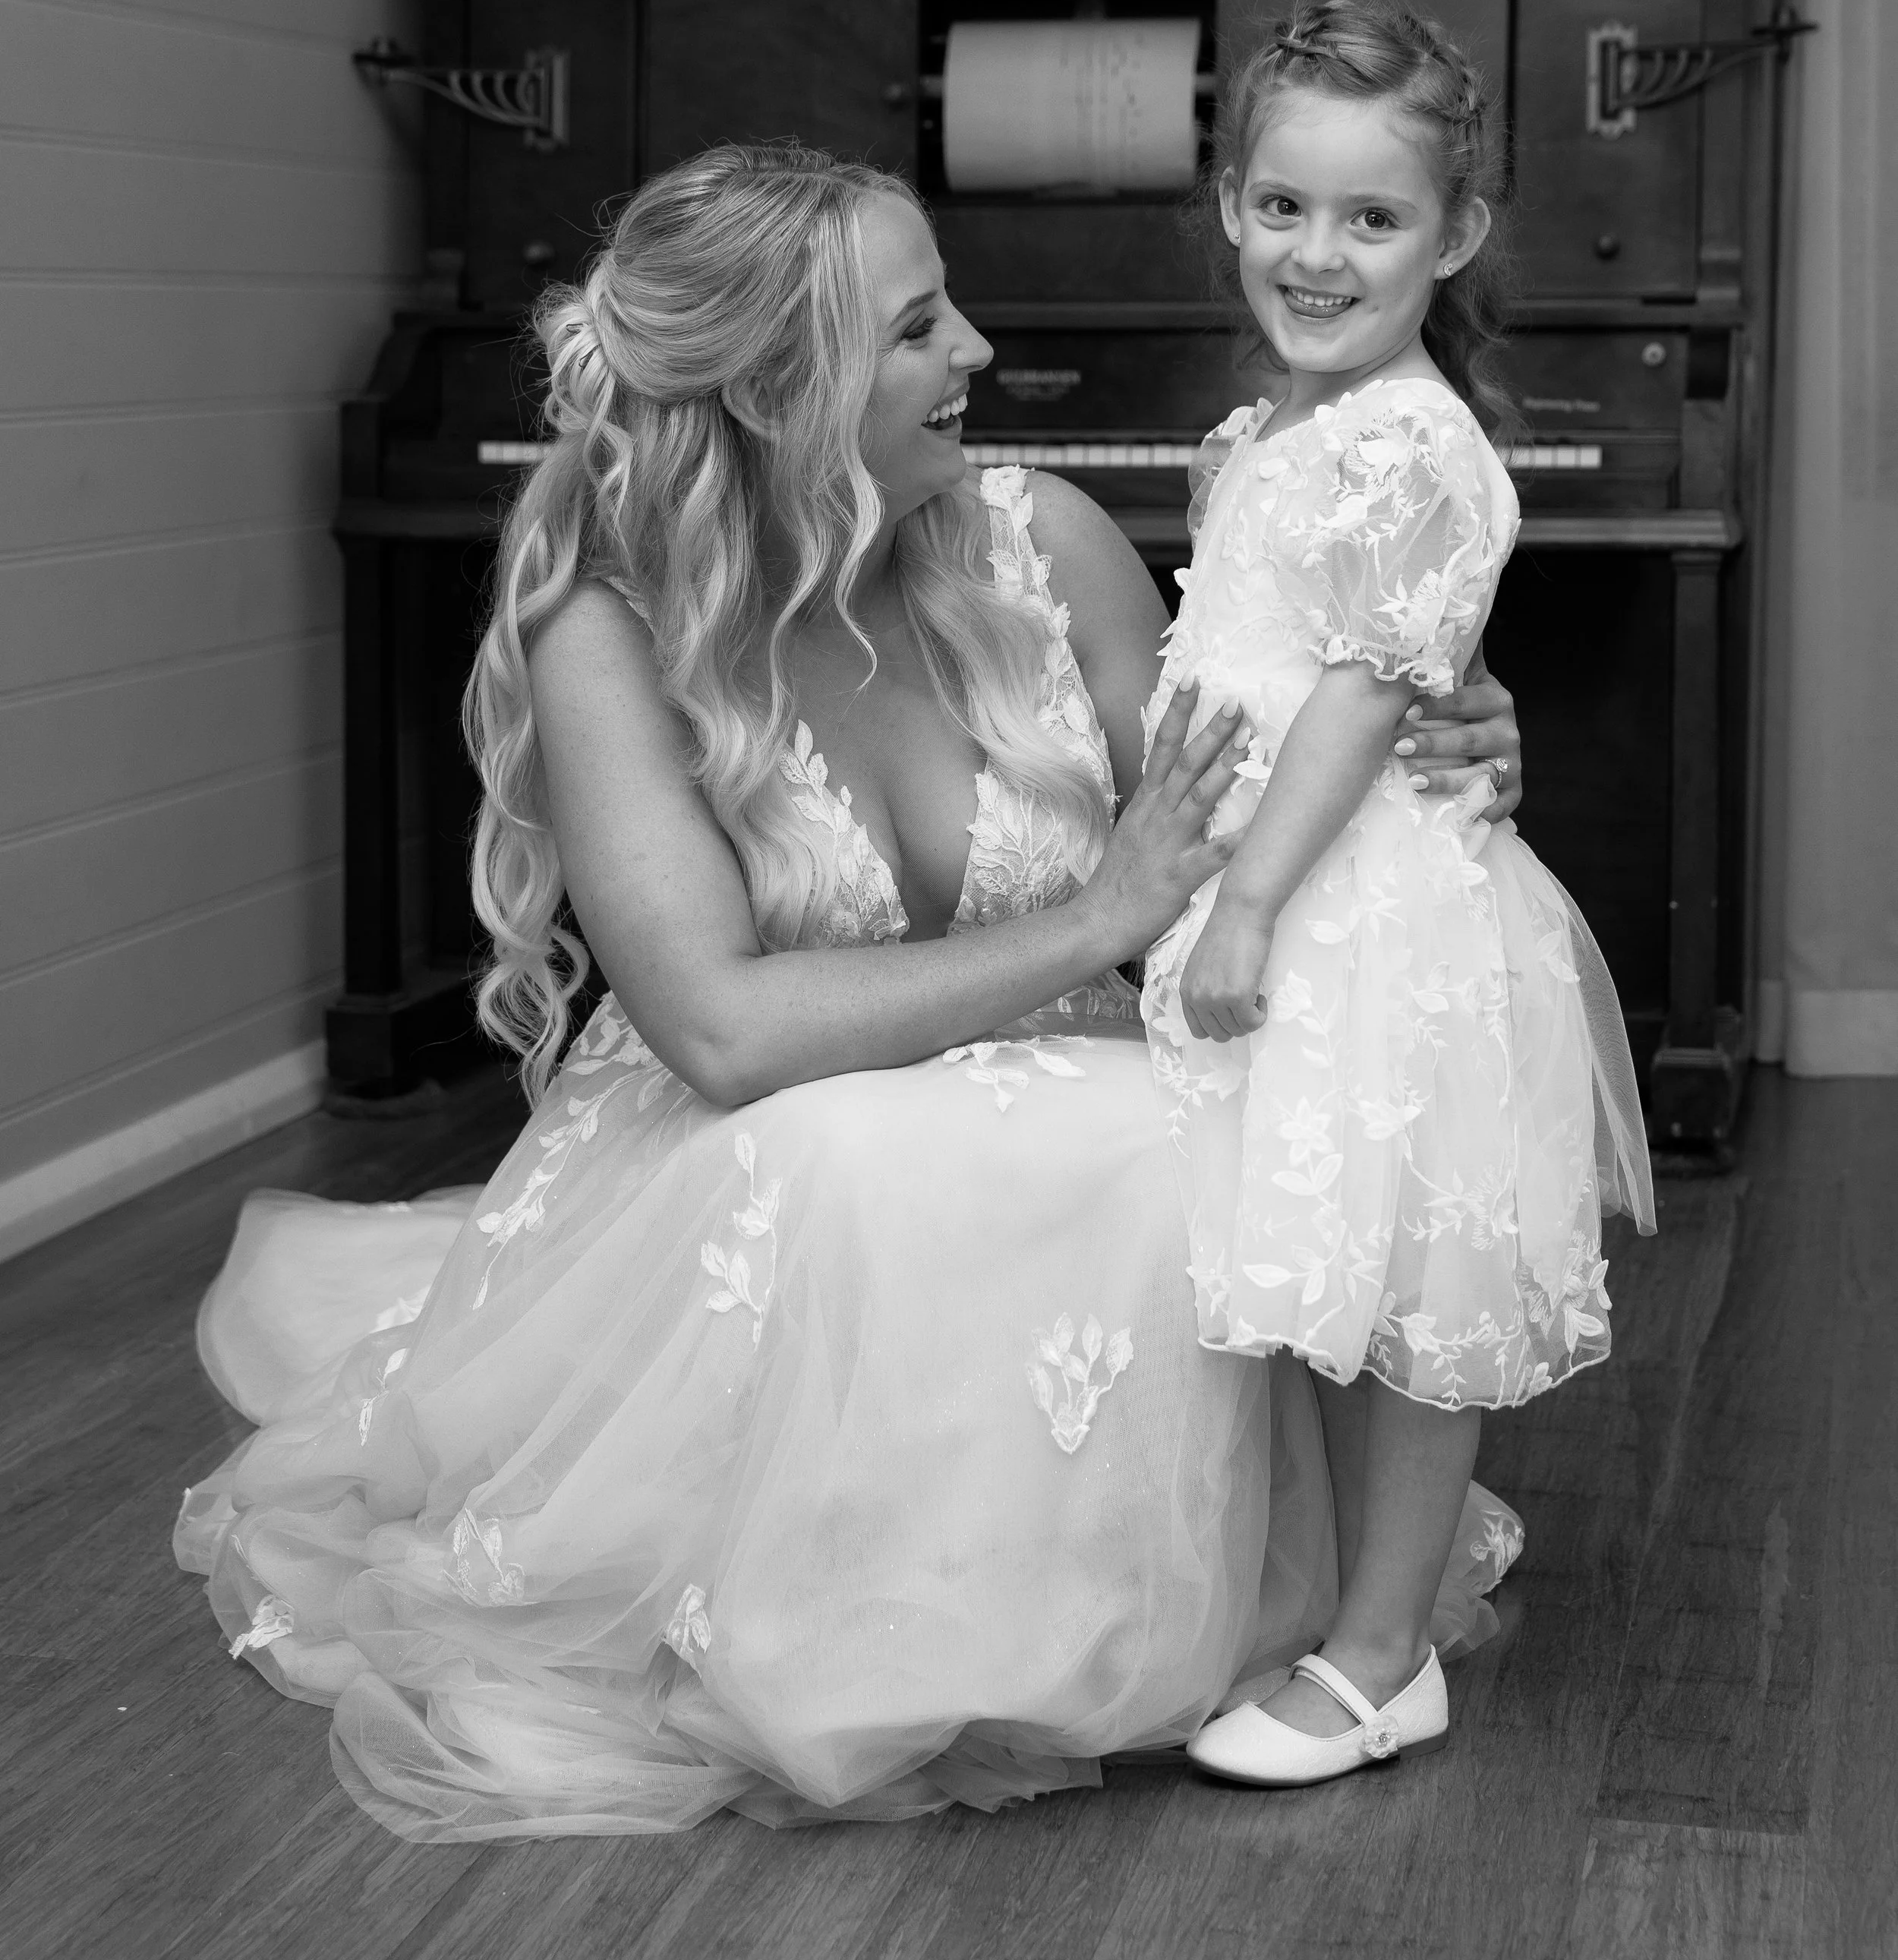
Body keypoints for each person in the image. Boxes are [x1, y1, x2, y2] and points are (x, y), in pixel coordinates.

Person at [176, 142, 1529, 1840]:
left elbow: (1260, 805)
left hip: (1074, 1080)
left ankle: (1141, 1596)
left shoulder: (1044, 543)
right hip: (761, 1127)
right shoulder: (611, 633)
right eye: (913, 330)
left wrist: (1448, 741)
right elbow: (724, 1032)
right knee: (860, 1162)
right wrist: (1088, 918)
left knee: (1196, 1137)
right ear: (777, 391)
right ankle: (876, 1622)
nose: (974, 351)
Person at [1139, 2, 1654, 1793]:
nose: (1317, 253)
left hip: (1367, 923)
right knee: (1327, 1278)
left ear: (1455, 236)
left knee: (1413, 1296)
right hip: (1302, 904)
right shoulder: (1278, 431)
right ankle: (1348, 1603)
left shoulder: (1413, 447)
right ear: (1226, 205)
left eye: (1372, 221)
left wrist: (1251, 902)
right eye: (1283, 207)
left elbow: (1364, 691)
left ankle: (1379, 1657)